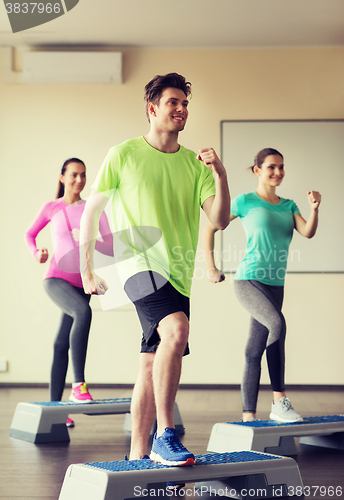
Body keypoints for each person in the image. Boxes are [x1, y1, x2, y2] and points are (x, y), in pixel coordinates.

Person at [80, 73, 230, 465]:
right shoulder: (123, 153)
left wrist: (221, 175)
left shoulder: (194, 164)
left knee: (151, 361)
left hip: (176, 272)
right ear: (153, 108)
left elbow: (220, 219)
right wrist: (87, 269)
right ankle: (166, 434)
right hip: (133, 262)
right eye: (172, 103)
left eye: (184, 104)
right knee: (177, 329)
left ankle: (136, 455)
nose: (181, 110)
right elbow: (91, 212)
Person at [203, 148, 321, 423]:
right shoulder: (245, 201)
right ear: (257, 170)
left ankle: (249, 418)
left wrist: (314, 210)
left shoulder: (289, 205)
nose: (278, 172)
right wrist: (211, 267)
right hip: (249, 279)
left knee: (254, 350)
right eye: (271, 167)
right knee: (277, 324)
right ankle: (280, 401)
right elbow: (210, 227)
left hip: (275, 284)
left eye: (281, 167)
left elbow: (307, 232)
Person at [25, 158, 113, 426]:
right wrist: (36, 253)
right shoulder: (51, 208)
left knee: (61, 343)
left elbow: (110, 246)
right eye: (74, 175)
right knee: (82, 312)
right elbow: (30, 235)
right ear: (62, 177)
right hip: (56, 279)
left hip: (82, 282)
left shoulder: (92, 209)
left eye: (83, 175)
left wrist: (90, 240)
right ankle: (78, 386)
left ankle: (55, 411)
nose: (80, 180)